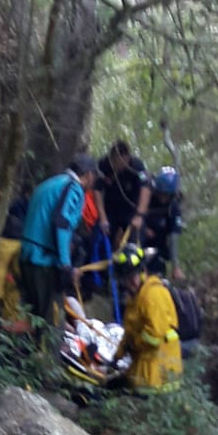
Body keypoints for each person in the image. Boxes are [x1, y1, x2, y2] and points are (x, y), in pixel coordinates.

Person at [18, 155, 99, 322]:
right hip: (43, 260)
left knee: (32, 318)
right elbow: (62, 222)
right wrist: (65, 265)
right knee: (52, 322)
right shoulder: (73, 188)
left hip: (27, 255)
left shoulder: (51, 183)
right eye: (94, 177)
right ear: (89, 174)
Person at [112, 244, 183, 391]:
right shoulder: (136, 297)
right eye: (125, 279)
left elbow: (154, 336)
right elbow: (130, 332)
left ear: (143, 271)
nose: (129, 283)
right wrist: (117, 356)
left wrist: (133, 344)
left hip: (159, 375)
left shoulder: (153, 295)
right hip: (146, 368)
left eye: (132, 277)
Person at [94, 139, 151, 248]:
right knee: (99, 234)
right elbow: (97, 190)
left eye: (118, 162)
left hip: (132, 210)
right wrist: (103, 217)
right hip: (110, 209)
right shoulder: (104, 164)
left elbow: (146, 189)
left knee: (135, 238)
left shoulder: (137, 166)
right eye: (113, 161)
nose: (115, 165)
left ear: (126, 158)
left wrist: (139, 215)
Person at [144, 166, 184, 279]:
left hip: (159, 248)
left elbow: (173, 236)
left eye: (167, 195)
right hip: (140, 243)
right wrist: (144, 229)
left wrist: (176, 266)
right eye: (161, 194)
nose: (163, 198)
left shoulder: (173, 207)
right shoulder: (146, 198)